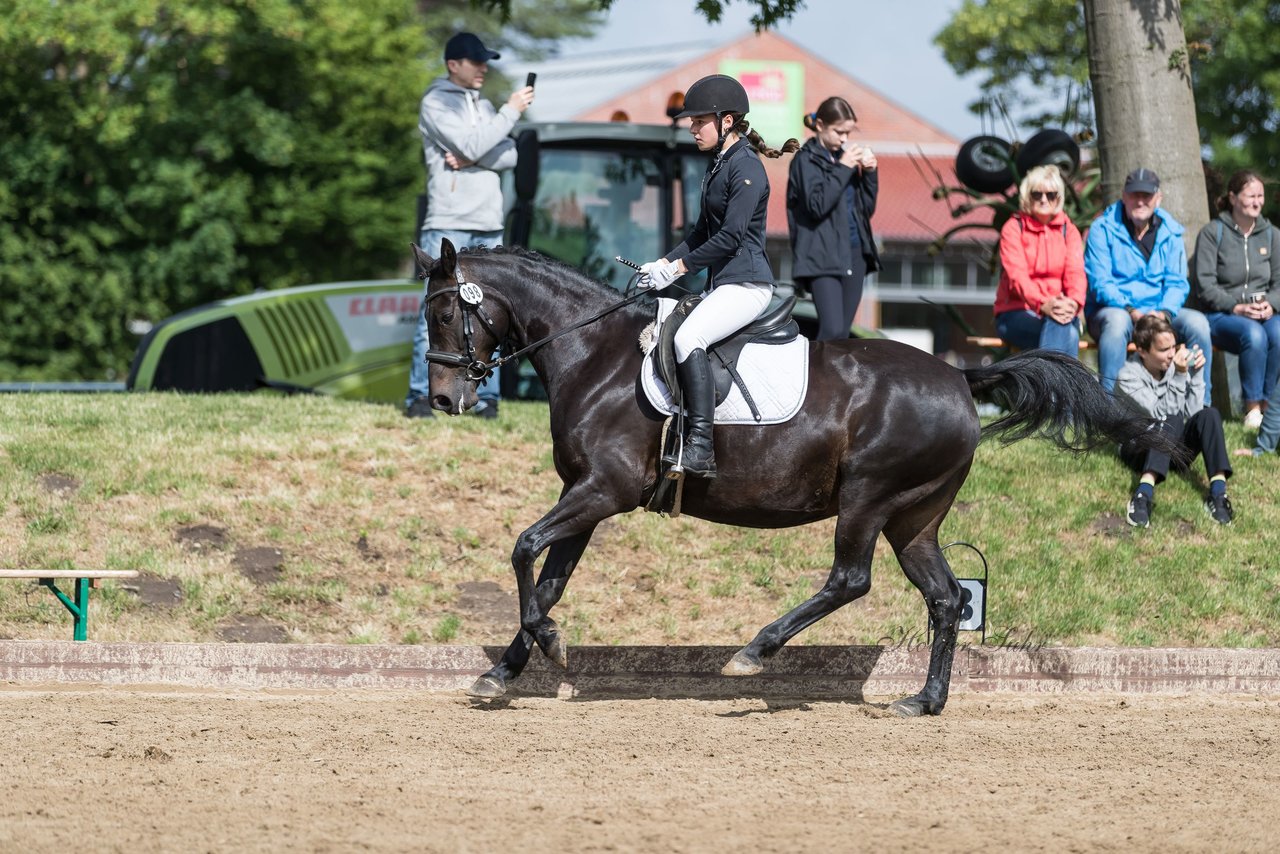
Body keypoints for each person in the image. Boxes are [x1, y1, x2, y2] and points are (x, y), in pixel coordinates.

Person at [638, 74, 798, 478]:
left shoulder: (746, 167)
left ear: (727, 121)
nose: (692, 127)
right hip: (724, 283)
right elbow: (698, 235)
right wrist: (661, 264)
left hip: (748, 284)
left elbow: (729, 238)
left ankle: (701, 448)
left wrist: (678, 268)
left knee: (688, 336)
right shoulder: (720, 164)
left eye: (699, 120)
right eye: (691, 121)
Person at [405, 32, 534, 419]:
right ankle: (417, 396)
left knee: (490, 312)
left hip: (487, 220)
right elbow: (484, 144)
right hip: (449, 219)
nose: (483, 68)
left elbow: (509, 153)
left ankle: (486, 397)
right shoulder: (435, 103)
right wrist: (509, 112)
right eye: (476, 61)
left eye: (485, 62)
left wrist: (473, 155)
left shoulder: (485, 105)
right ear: (453, 65)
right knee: (437, 308)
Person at [1084, 167, 1213, 400]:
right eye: (1134, 195)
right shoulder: (1101, 229)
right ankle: (1109, 410)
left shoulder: (1171, 232)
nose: (1140, 201)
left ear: (1158, 198)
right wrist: (1132, 311)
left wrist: (1163, 312)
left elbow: (1177, 282)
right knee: (1116, 323)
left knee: (1198, 323)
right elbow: (1100, 282)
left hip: (1159, 311)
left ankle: (1200, 405)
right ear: (1124, 196)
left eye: (1147, 195)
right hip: (1115, 310)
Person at [1115, 314, 1233, 527]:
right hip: (1138, 448)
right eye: (1163, 350)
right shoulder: (1127, 377)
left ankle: (1218, 494)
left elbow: (1193, 413)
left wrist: (1197, 375)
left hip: (1171, 447)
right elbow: (1161, 413)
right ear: (1141, 351)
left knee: (1210, 415)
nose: (1171, 355)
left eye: (1174, 347)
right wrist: (1180, 374)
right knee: (1171, 419)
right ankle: (1143, 495)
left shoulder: (1173, 367)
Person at [785, 96, 880, 341]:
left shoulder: (844, 160)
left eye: (848, 133)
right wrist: (844, 168)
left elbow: (865, 210)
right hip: (821, 256)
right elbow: (817, 206)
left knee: (843, 334)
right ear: (820, 126)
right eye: (839, 132)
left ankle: (834, 380)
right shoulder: (805, 160)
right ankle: (813, 378)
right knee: (832, 330)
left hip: (854, 252)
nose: (844, 139)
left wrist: (869, 173)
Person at [1192, 169, 1280, 429]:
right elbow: (1204, 285)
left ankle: (1269, 407)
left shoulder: (1272, 234)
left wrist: (1271, 304)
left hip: (1264, 313)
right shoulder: (1212, 233)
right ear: (1233, 198)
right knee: (1254, 335)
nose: (1257, 202)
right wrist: (1236, 306)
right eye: (1250, 195)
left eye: (1260, 196)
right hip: (1222, 315)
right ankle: (1252, 408)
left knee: (1278, 333)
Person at [992, 164, 1087, 356]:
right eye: (1037, 194)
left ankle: (1047, 386)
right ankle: (1061, 386)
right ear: (1028, 196)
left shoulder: (1069, 230)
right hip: (1017, 312)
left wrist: (1074, 303)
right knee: (1068, 334)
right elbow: (1017, 276)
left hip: (1061, 311)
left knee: (1063, 325)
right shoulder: (1013, 228)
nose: (1044, 199)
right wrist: (1044, 304)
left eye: (1050, 194)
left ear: (1058, 198)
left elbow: (1075, 272)